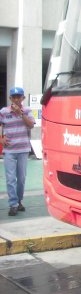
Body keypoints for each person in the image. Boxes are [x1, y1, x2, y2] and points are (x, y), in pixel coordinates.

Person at [1, 87, 35, 216]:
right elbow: (0, 125)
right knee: (10, 179)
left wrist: (21, 114)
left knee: (21, 178)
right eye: (14, 97)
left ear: (23, 98)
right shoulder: (4, 112)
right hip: (9, 150)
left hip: (23, 149)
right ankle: (13, 204)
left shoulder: (27, 110)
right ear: (10, 98)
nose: (16, 99)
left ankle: (19, 201)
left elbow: (31, 125)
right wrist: (1, 138)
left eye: (18, 97)